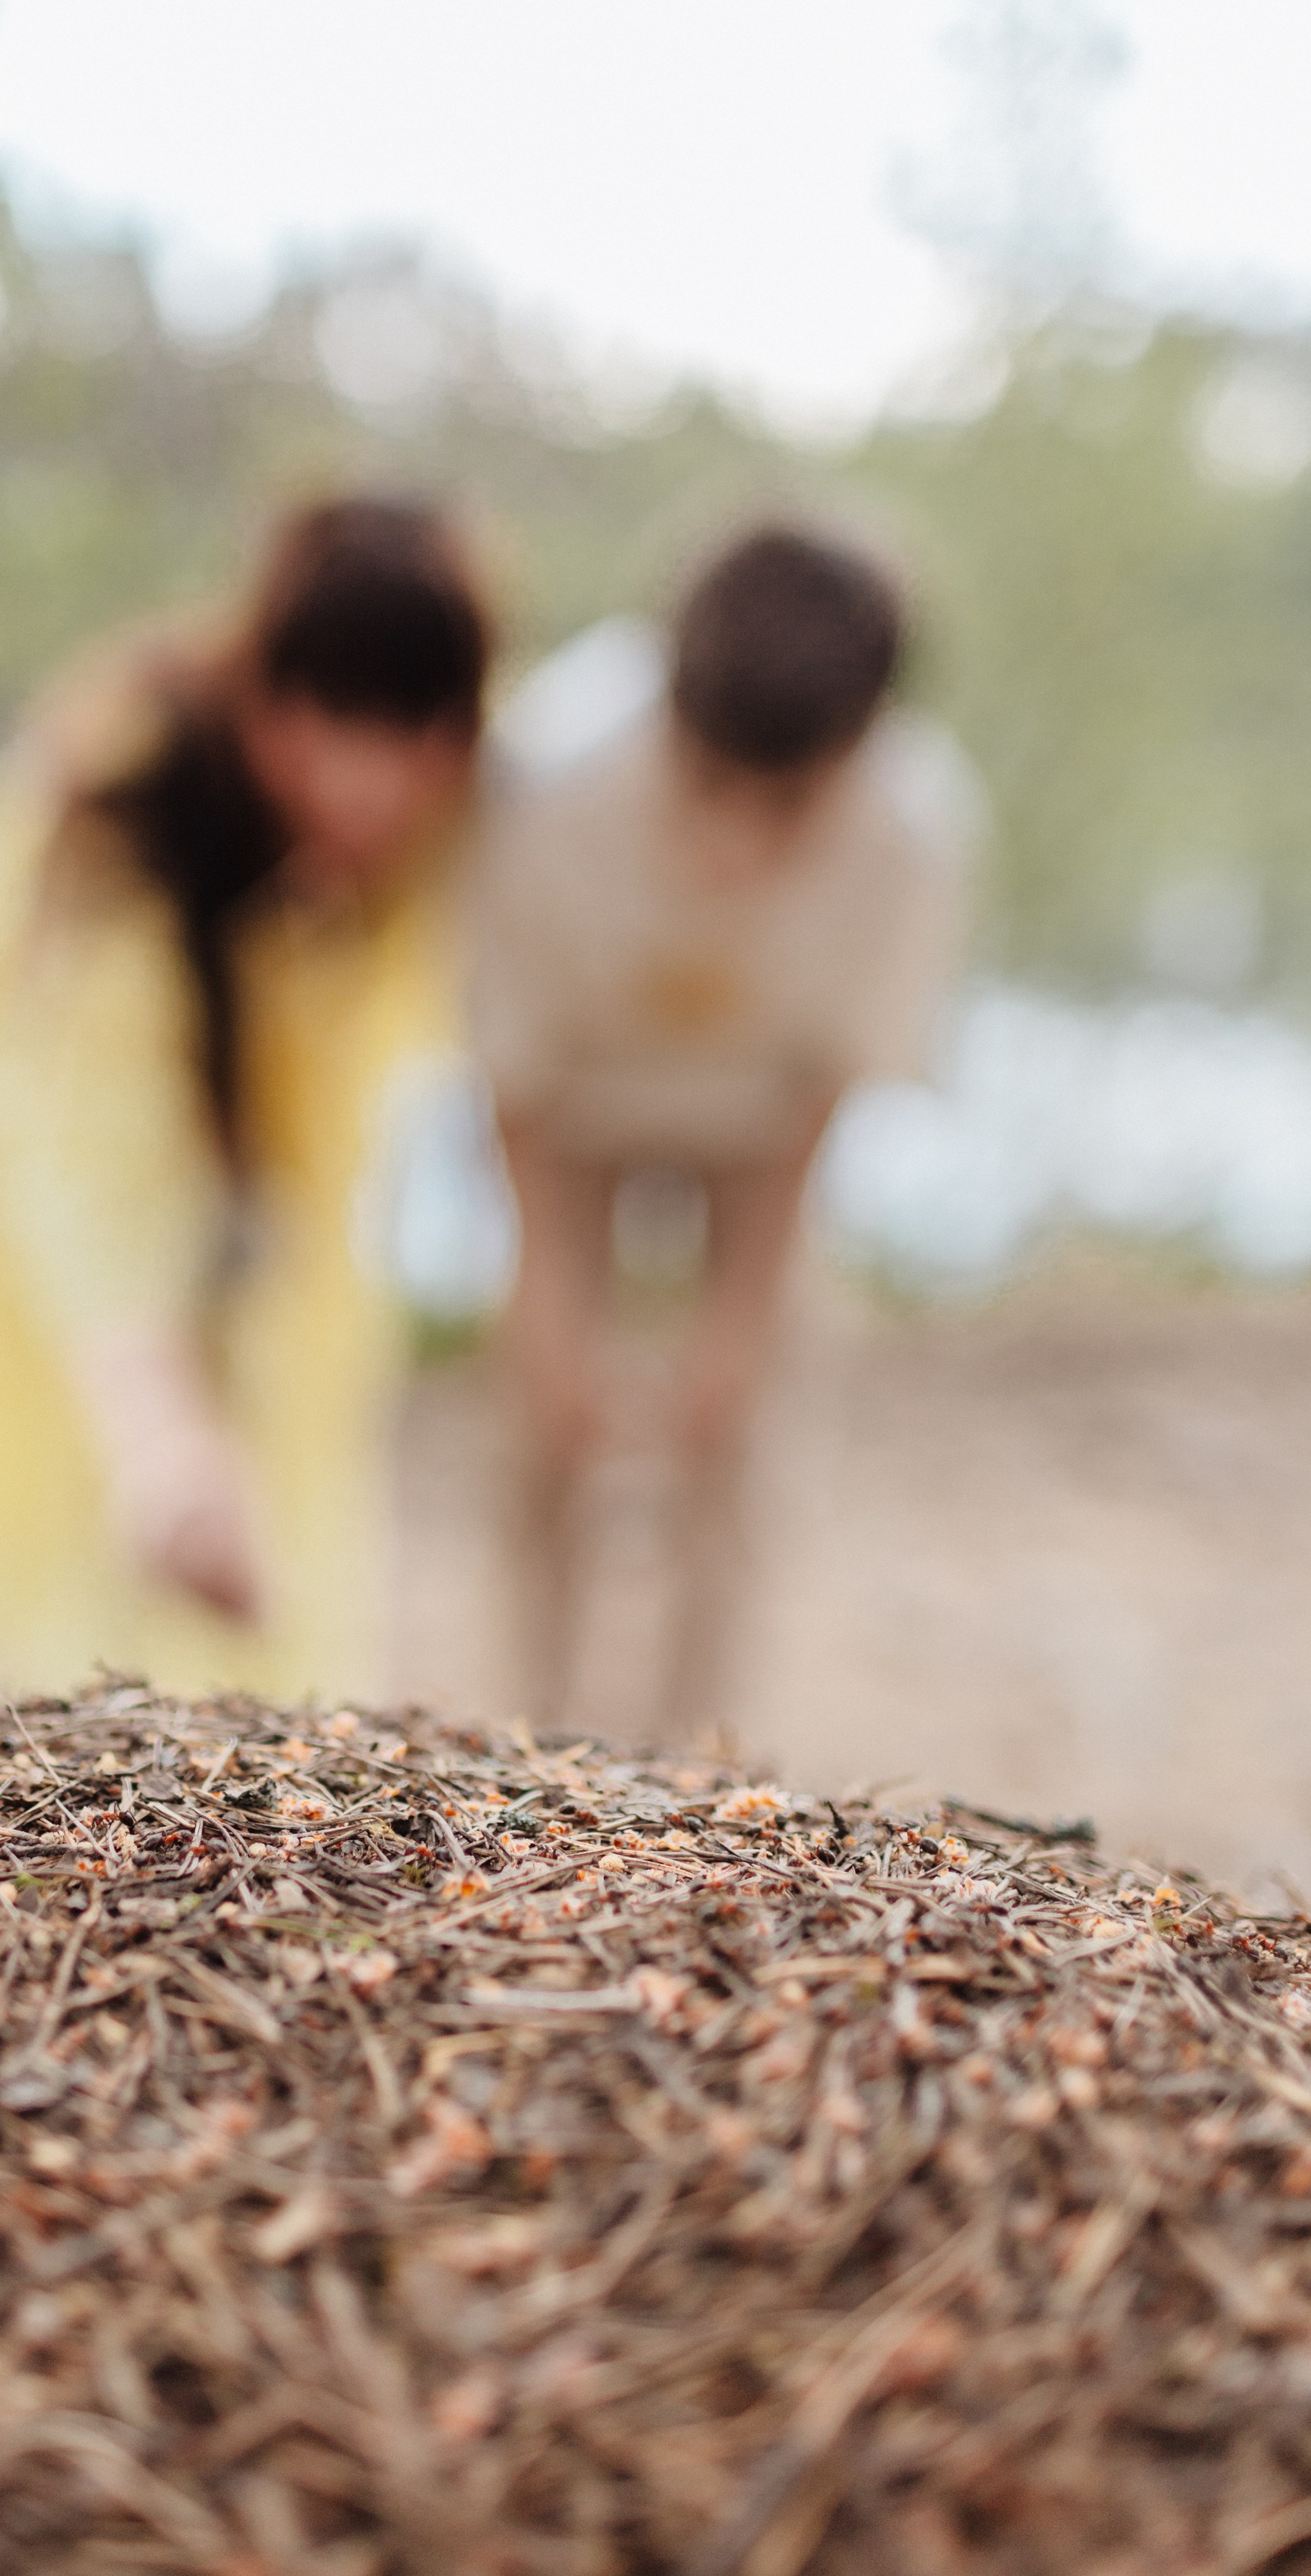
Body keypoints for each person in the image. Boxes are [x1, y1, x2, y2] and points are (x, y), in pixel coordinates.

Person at [0, 496, 492, 1700]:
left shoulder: (442, 822)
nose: (372, 788)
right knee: (89, 1685)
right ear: (270, 698)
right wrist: (158, 1442)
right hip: (62, 1313)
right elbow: (74, 1153)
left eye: (416, 741)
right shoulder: (104, 821)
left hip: (280, 1283)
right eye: (339, 727)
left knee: (295, 1668)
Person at [469, 519, 977, 1736]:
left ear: (864, 743)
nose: (735, 847)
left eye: (790, 804)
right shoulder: (543, 772)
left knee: (748, 1423)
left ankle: (699, 1763)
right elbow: (513, 1066)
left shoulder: (919, 827)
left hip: (758, 1117)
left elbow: (827, 1084)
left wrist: (738, 1320)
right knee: (543, 1416)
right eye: (711, 787)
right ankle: (529, 1741)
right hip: (575, 1102)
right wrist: (549, 1292)